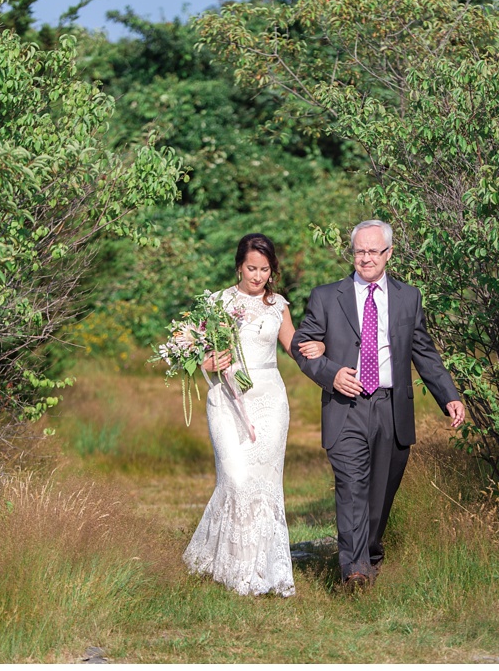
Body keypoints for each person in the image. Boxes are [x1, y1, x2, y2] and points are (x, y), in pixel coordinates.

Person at [289, 219, 465, 589]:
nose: (365, 259)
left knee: (381, 491)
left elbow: (424, 352)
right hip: (346, 406)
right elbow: (300, 345)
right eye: (359, 251)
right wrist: (330, 372)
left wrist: (448, 395)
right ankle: (354, 570)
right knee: (351, 486)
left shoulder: (408, 297)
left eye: (373, 251)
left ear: (389, 254)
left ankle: (369, 555)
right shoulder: (326, 296)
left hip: (391, 407)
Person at [183, 233, 325, 595]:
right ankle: (225, 563)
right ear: (239, 265)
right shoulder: (218, 302)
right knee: (235, 479)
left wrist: (321, 348)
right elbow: (195, 351)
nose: (257, 276)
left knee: (263, 486)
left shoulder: (278, 305)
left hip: (269, 402)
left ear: (272, 270)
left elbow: (293, 346)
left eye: (264, 269)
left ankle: (256, 571)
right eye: (251, 268)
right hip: (227, 400)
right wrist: (207, 362)